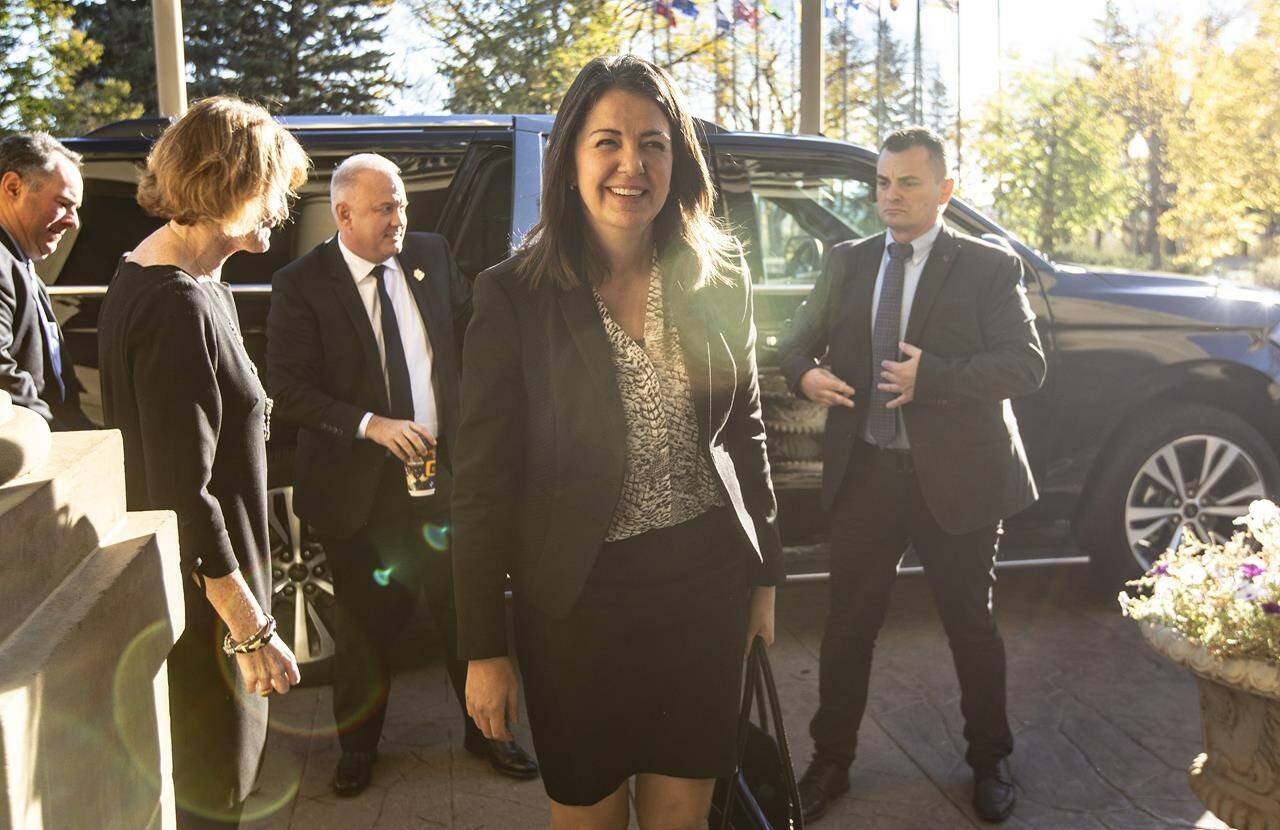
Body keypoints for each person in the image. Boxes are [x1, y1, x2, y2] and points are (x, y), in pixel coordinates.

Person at [452, 54, 785, 829]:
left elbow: (748, 430)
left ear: (678, 160)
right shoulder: (514, 296)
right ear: (570, 159)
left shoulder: (718, 277)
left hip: (703, 596)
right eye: (607, 141)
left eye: (654, 143)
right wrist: (483, 648)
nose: (631, 164)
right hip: (576, 611)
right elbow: (481, 485)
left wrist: (764, 579)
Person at [776, 126, 1046, 824]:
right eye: (882, 183)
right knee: (847, 629)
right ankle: (830, 762)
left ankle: (991, 760)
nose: (890, 197)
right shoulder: (848, 260)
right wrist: (805, 374)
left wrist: (939, 379)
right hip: (866, 473)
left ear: (945, 190)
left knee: (970, 627)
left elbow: (1026, 364)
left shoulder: (989, 266)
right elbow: (791, 341)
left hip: (957, 481)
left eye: (908, 183)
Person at [266, 153, 537, 796]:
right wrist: (371, 424)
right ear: (344, 214)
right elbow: (289, 390)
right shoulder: (302, 283)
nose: (401, 218)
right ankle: (357, 751)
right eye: (386, 208)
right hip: (361, 495)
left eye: (403, 205)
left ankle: (489, 733)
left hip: (446, 481)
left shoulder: (431, 255)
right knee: (364, 627)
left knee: (464, 615)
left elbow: (476, 331)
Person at [98, 96, 306, 829]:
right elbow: (182, 490)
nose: (284, 204)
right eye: (275, 185)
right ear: (233, 183)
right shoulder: (172, 301)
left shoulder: (179, 281)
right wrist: (248, 626)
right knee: (212, 794)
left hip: (213, 592)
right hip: (206, 612)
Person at [0, 133, 91, 430]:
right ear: (13, 187)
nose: (73, 221)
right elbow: (3, 376)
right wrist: (63, 436)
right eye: (64, 203)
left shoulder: (22, 264)